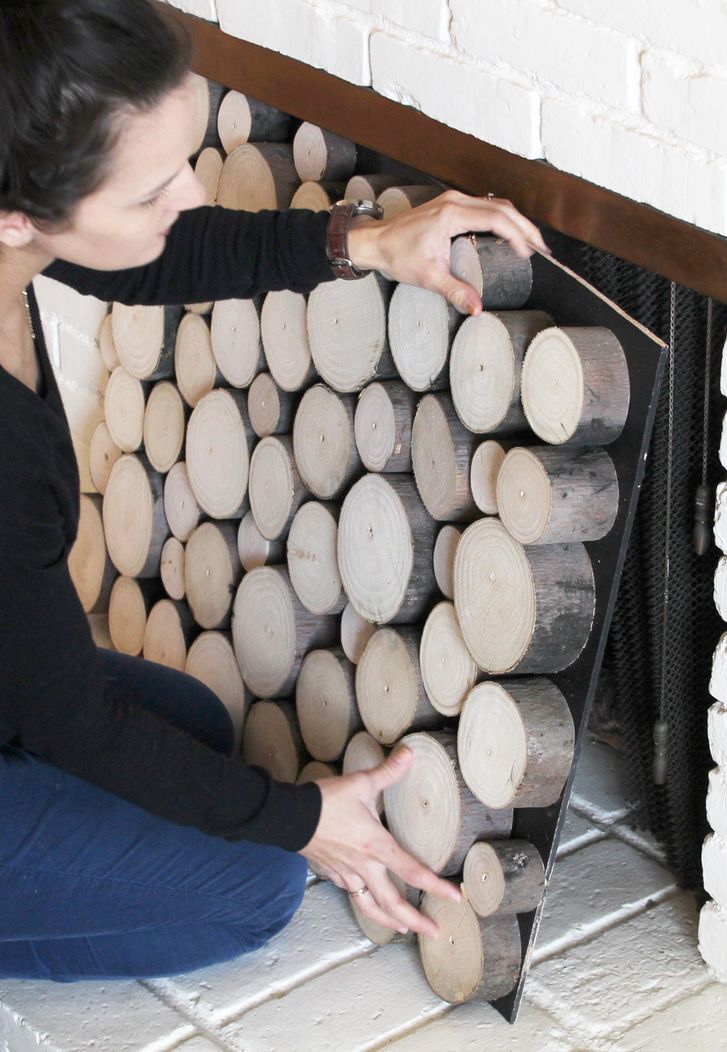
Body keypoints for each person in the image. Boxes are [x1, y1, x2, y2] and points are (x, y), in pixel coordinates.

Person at [0, 0, 550, 982]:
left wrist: (367, 242)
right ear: (18, 214)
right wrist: (304, 824)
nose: (183, 193)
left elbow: (153, 253)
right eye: (149, 189)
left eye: (182, 159)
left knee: (202, 732)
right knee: (254, 884)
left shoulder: (23, 233)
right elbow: (69, 720)